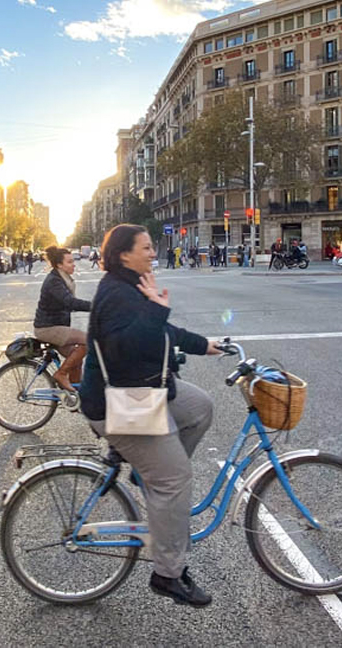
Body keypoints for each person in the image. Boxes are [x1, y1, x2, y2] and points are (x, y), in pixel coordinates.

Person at [80, 224, 224, 607]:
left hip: (142, 393)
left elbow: (163, 331)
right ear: (124, 254)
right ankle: (168, 573)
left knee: (200, 407)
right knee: (175, 477)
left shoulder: (130, 285)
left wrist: (203, 345)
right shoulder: (115, 293)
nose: (152, 252)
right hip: (118, 404)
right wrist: (158, 309)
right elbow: (127, 346)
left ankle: (150, 476)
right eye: (145, 247)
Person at [33, 246, 92, 393]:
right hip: (48, 328)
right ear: (59, 265)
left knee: (76, 360)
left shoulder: (62, 278)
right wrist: (96, 307)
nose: (74, 264)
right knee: (88, 340)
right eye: (70, 262)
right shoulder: (54, 281)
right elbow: (69, 302)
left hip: (57, 326)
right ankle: (61, 374)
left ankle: (75, 397)